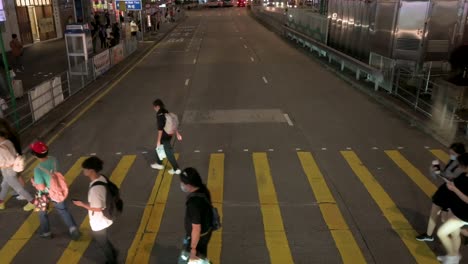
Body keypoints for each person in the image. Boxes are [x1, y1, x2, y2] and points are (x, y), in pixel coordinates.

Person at [30, 141, 80, 240]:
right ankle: (74, 229)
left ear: (35, 155)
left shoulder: (38, 169)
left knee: (42, 212)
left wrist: (34, 183)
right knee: (63, 210)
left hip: (45, 193)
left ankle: (46, 233)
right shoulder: (54, 159)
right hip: (57, 190)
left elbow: (41, 187)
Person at [417, 143, 466, 242]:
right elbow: (446, 174)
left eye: (453, 153)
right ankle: (429, 235)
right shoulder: (455, 161)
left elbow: (451, 177)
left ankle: (463, 234)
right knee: (440, 215)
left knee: (443, 218)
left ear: (460, 153)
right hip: (448, 191)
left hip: (450, 193)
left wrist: (440, 173)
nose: (451, 155)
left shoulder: (462, 165)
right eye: (450, 153)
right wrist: (436, 171)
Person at [73, 157, 118, 264]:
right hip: (106, 217)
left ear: (91, 170)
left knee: (102, 242)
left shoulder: (95, 189)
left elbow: (98, 208)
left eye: (85, 169)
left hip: (99, 220)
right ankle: (113, 252)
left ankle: (112, 261)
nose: (83, 171)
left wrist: (82, 204)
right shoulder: (101, 178)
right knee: (103, 239)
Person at [437, 153, 468, 264]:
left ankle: (453, 256)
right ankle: (454, 255)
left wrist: (454, 189)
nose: (459, 167)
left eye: (461, 165)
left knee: (441, 233)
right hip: (456, 209)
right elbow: (455, 190)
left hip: (464, 215)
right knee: (455, 234)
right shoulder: (464, 175)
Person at [180, 168, 213, 262]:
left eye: (183, 183)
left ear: (189, 185)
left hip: (198, 237)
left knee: (192, 259)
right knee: (200, 256)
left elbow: (196, 228)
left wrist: (193, 249)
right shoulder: (203, 189)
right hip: (206, 232)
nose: (182, 185)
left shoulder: (193, 204)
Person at [0, 126, 35, 211]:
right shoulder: (7, 141)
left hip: (8, 171)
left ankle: (32, 202)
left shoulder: (1, 148)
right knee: (4, 185)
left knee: (18, 188)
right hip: (9, 171)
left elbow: (11, 161)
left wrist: (2, 166)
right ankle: (1, 202)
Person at [150, 99, 182, 175]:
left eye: (154, 107)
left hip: (165, 134)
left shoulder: (159, 114)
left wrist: (158, 140)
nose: (154, 109)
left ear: (157, 106)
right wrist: (177, 133)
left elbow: (160, 128)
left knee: (168, 151)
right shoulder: (166, 111)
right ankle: (159, 163)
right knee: (159, 148)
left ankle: (176, 168)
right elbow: (173, 123)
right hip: (170, 133)